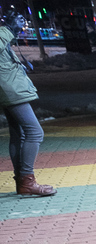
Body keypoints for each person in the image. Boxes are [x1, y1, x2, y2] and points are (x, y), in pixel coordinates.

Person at [1, 10, 56, 196]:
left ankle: (22, 182)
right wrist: (9, 29)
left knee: (19, 134)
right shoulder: (2, 32)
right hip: (10, 90)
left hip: (8, 88)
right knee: (35, 132)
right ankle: (27, 181)